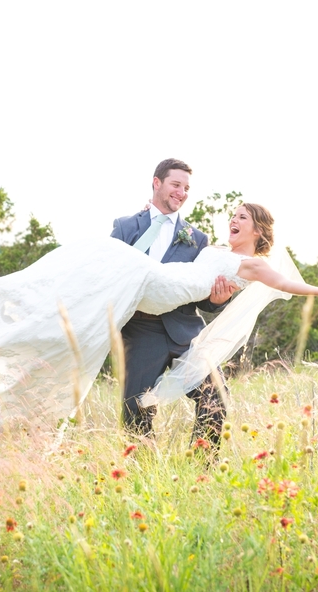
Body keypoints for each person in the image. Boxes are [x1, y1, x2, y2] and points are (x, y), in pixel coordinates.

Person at [0, 202, 318, 449]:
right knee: (109, 259)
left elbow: (284, 284)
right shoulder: (211, 246)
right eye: (234, 214)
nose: (234, 219)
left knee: (215, 405)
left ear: (258, 229)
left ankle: (202, 467)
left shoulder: (249, 262)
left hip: (179, 319)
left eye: (242, 217)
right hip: (148, 315)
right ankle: (138, 465)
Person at [110, 158, 235, 448]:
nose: (181, 192)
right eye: (176, 185)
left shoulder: (198, 238)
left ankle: (202, 467)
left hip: (186, 332)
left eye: (186, 188)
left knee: (216, 400)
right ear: (157, 183)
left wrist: (218, 300)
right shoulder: (125, 227)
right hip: (140, 332)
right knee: (134, 411)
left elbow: (204, 296)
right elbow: (109, 278)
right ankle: (145, 473)